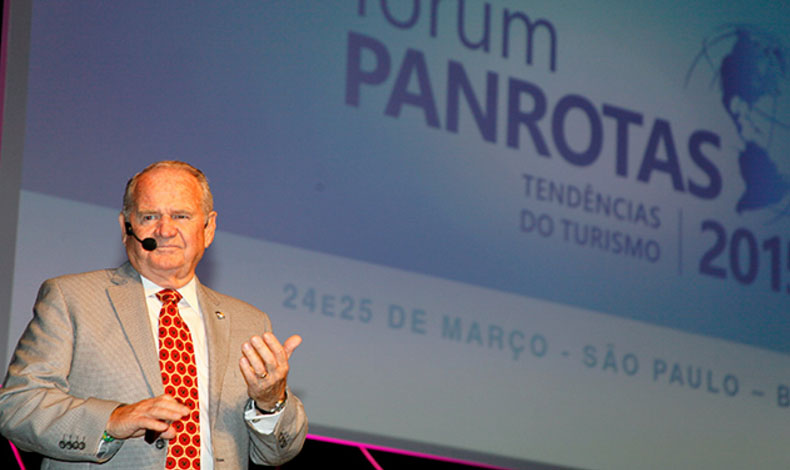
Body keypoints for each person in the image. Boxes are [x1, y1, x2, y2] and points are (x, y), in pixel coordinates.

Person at [0, 161, 307, 469]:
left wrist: (271, 401)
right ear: (126, 228)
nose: (165, 230)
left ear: (208, 228)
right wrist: (112, 420)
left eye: (181, 216)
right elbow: (17, 407)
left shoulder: (249, 323)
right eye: (149, 216)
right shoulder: (71, 299)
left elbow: (277, 453)